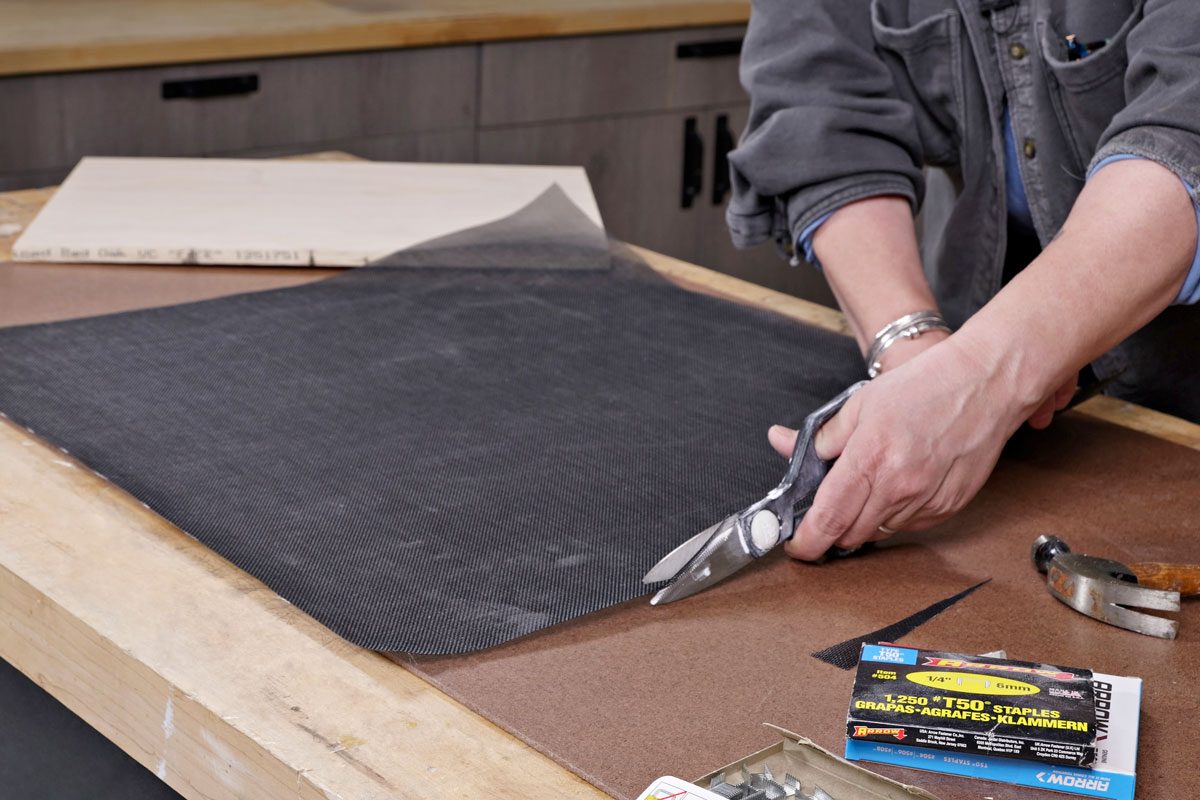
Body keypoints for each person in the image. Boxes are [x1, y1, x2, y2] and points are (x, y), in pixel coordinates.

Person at [725, 0, 1199, 560]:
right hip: (978, 346)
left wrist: (979, 377)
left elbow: (1184, 132)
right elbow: (817, 104)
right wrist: (913, 352)